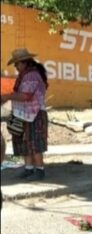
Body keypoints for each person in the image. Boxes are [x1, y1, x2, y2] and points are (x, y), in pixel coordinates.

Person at [1, 48, 49, 181]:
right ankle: (28, 168)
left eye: (17, 64)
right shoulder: (25, 75)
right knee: (25, 142)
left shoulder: (31, 75)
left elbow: (26, 96)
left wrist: (7, 97)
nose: (16, 67)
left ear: (24, 62)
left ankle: (39, 170)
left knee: (34, 143)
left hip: (35, 114)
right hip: (25, 114)